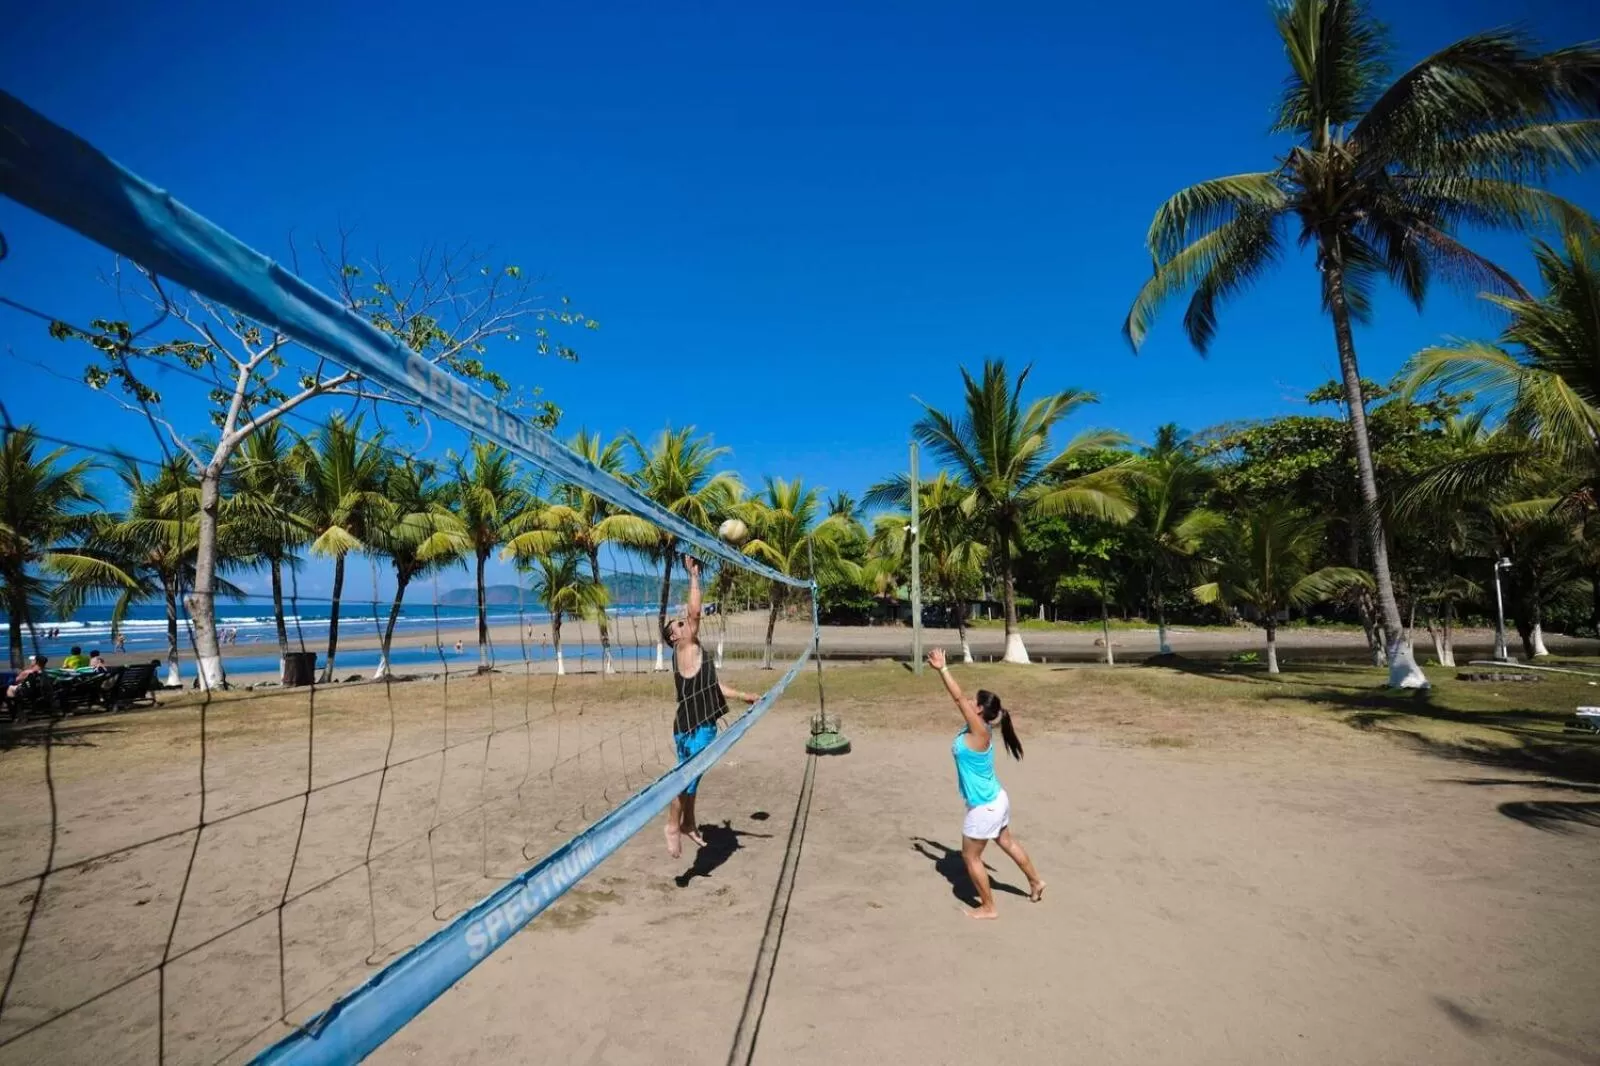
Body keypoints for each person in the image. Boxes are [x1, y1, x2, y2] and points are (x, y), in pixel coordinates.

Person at [927, 647, 1044, 919]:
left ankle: (989, 907)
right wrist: (926, 846)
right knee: (1006, 842)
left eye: (973, 700)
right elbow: (962, 702)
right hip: (996, 800)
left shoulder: (979, 729)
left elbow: (957, 698)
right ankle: (1036, 882)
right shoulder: (977, 728)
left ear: (978, 709)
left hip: (985, 807)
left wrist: (942, 668)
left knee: (970, 857)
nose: (969, 700)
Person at [662, 554, 758, 859]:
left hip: (696, 726)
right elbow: (695, 612)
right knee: (684, 778)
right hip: (691, 728)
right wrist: (694, 576)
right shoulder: (685, 648)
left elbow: (714, 687)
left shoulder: (697, 652)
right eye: (678, 625)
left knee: (693, 778)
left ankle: (689, 822)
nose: (684, 623)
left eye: (681, 622)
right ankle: (672, 826)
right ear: (674, 637)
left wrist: (745, 696)